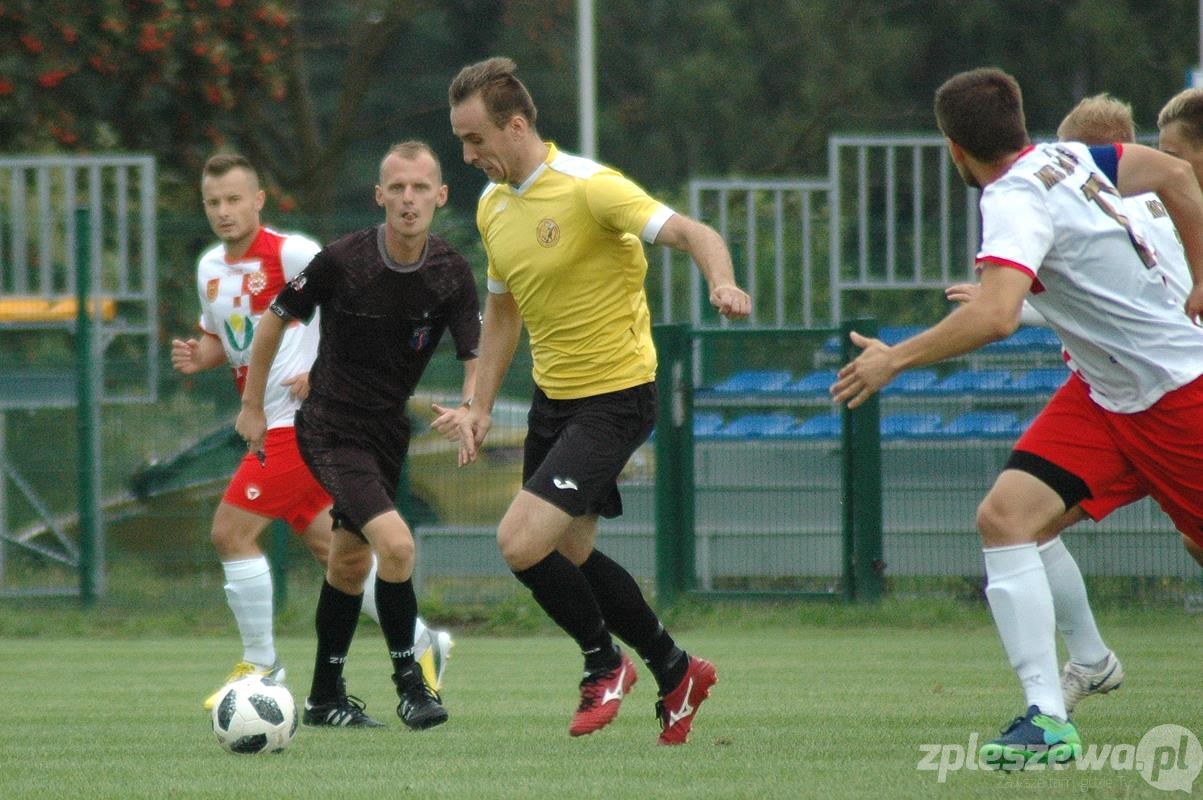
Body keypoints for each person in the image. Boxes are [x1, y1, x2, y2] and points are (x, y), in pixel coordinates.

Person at [831, 67, 1203, 769]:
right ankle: (1046, 717)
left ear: (952, 149)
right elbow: (1180, 180)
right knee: (1004, 519)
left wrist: (892, 361)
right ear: (1019, 121)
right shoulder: (1079, 157)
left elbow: (996, 316)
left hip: (1179, 398)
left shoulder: (1008, 196)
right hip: (1105, 396)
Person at [447, 56, 751, 746]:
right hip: (554, 401)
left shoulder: (589, 188)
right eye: (461, 141)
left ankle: (602, 665)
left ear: (516, 125)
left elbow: (691, 233)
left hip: (615, 396)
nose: (467, 156)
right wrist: (477, 403)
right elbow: (501, 315)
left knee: (519, 542)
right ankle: (675, 669)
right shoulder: (493, 206)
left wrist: (721, 282)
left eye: (474, 140)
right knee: (572, 551)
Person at [174, 153, 451, 714]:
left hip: (300, 425)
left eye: (234, 199)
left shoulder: (292, 251)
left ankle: (261, 663)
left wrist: (324, 367)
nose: (224, 211)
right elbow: (226, 339)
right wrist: (198, 355)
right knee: (335, 552)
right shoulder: (208, 266)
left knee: (230, 533)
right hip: (271, 423)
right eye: (213, 202)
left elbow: (355, 306)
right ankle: (424, 641)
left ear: (258, 201)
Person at [236, 140, 479, 731]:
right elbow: (274, 318)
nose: (408, 199)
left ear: (441, 196)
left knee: (348, 563)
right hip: (329, 427)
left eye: (421, 187)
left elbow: (478, 349)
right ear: (379, 196)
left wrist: (473, 407)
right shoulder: (343, 260)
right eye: (396, 187)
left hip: (386, 432)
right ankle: (411, 687)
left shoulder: (450, 272)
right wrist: (252, 406)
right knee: (396, 547)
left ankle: (323, 698)